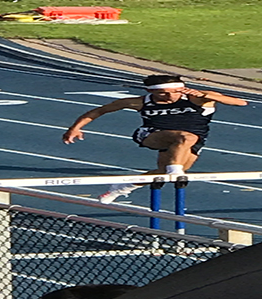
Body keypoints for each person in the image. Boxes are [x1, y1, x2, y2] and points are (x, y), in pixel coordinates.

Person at [62, 75, 247, 204]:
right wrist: (75, 128)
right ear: (150, 91)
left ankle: (123, 187)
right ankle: (175, 171)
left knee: (164, 170)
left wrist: (207, 95)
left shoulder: (198, 98)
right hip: (152, 134)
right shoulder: (140, 102)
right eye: (163, 93)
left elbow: (241, 103)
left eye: (175, 92)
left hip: (193, 140)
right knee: (184, 138)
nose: (170, 96)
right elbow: (100, 110)